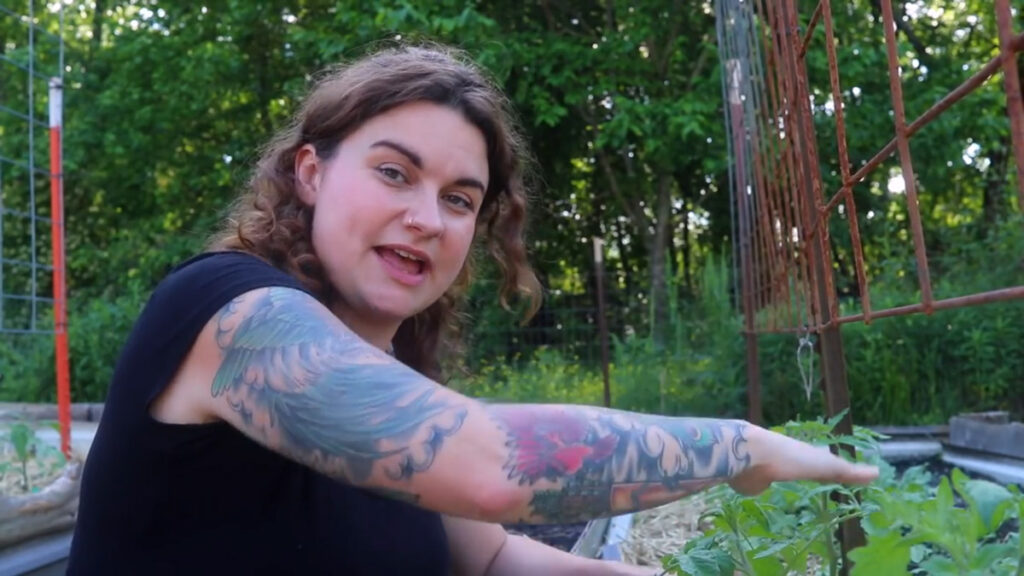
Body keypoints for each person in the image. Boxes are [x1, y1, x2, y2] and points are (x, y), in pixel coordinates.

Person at [66, 43, 877, 575]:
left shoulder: (391, 373)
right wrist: (738, 446)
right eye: (394, 173)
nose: (428, 216)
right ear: (310, 173)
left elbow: (489, 559)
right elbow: (492, 470)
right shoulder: (230, 313)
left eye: (460, 198)